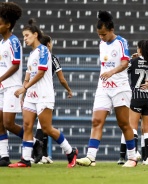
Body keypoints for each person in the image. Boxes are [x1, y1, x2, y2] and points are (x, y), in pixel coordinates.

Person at [8, 19, 78, 168]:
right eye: (23, 36)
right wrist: (23, 93)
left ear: (35, 34)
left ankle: (70, 151)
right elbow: (28, 75)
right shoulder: (32, 53)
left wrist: (24, 88)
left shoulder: (43, 51)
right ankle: (25, 160)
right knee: (27, 125)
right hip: (31, 95)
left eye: (26, 35)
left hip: (44, 95)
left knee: (46, 128)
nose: (24, 39)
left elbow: (40, 73)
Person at [75, 10, 138, 168]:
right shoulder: (101, 43)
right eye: (99, 34)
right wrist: (106, 74)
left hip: (120, 88)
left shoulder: (121, 42)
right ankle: (91, 157)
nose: (101, 37)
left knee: (123, 123)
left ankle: (132, 158)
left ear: (111, 30)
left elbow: (125, 63)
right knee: (96, 121)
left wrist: (111, 72)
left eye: (103, 34)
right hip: (103, 87)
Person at [32, 34, 73, 164]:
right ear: (49, 44)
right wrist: (68, 89)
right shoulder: (52, 58)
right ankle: (38, 155)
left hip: (32, 94)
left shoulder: (34, 56)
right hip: (45, 95)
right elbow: (61, 79)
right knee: (43, 126)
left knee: (39, 125)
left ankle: (41, 154)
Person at [0, 2, 23, 167]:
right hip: (2, 87)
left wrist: (0, 79)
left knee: (8, 123)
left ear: (8, 25)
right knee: (0, 123)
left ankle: (34, 142)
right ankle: (4, 156)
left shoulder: (13, 41)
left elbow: (15, 64)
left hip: (12, 87)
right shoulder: (1, 43)